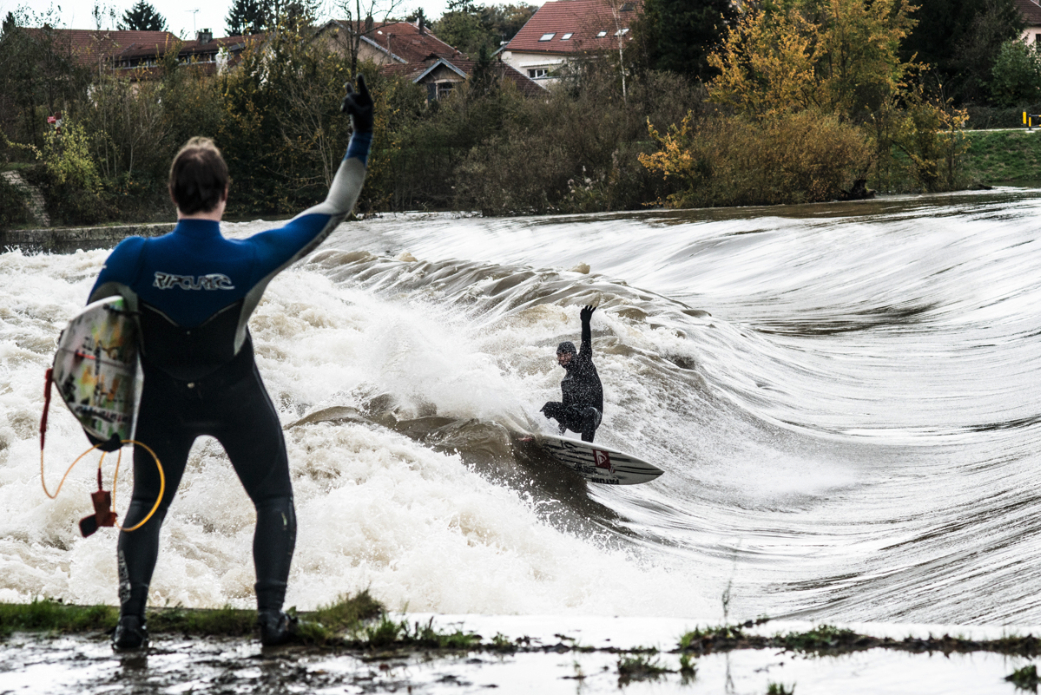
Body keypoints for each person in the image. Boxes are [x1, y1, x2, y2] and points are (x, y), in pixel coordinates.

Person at [88, 76, 376, 650]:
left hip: (162, 403)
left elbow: (91, 338)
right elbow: (335, 207)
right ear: (225, 193)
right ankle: (270, 619)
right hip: (234, 397)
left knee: (146, 505)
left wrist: (100, 420)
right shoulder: (252, 257)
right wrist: (361, 133)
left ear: (173, 192)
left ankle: (131, 625)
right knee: (273, 500)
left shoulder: (133, 257)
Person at [540, 305, 603, 442]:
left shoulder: (584, 363)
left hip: (593, 416)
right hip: (575, 418)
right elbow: (566, 409)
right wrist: (559, 436)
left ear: (573, 354)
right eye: (559, 355)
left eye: (566, 354)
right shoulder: (565, 381)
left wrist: (585, 322)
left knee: (590, 412)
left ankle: (587, 448)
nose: (562, 358)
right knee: (549, 406)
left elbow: (586, 342)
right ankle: (537, 433)